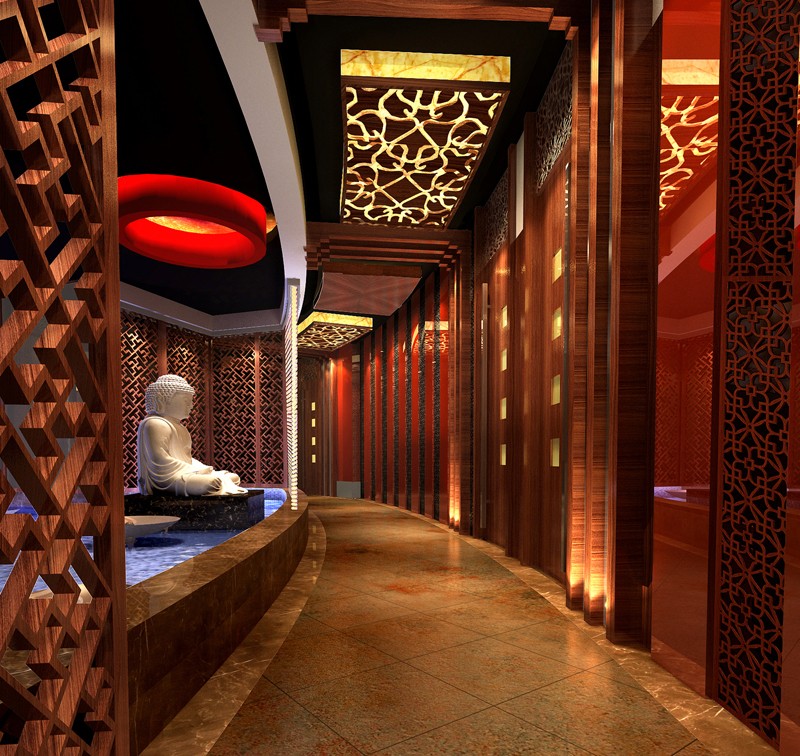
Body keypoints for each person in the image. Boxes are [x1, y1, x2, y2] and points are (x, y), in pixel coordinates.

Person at [137, 374, 248, 496]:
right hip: (167, 479)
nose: (191, 406)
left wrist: (203, 468)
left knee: (233, 478)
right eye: (186, 401)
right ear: (163, 400)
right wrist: (198, 471)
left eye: (191, 402)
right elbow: (159, 462)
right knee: (210, 484)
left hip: (185, 472)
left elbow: (186, 459)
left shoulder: (181, 428)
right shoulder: (154, 424)